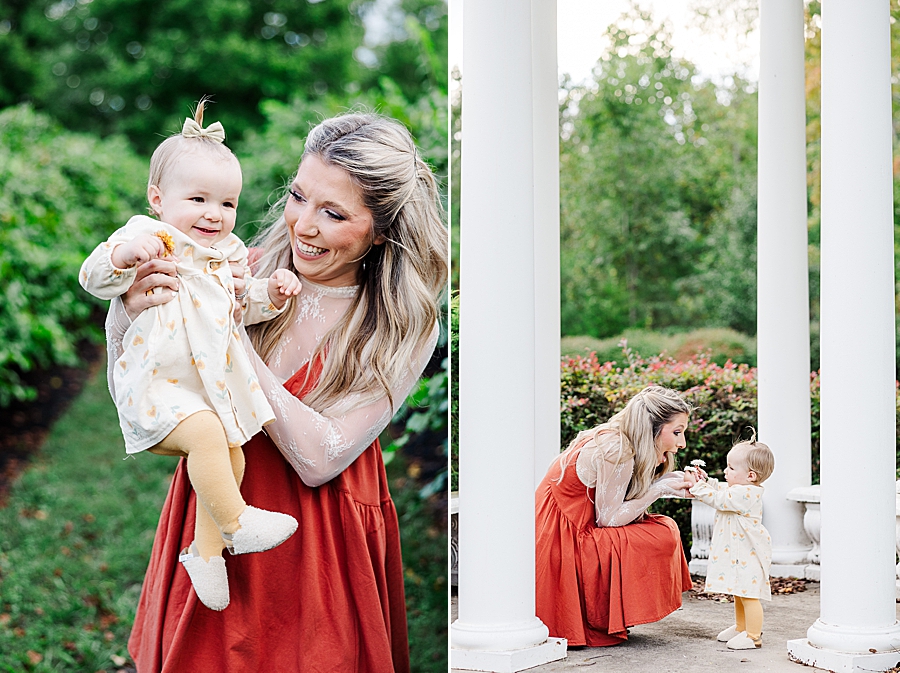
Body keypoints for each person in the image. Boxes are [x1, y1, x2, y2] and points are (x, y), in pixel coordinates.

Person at [113, 112, 446, 671]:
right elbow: (135, 393)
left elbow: (320, 459)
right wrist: (128, 316)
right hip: (219, 502)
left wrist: (224, 334)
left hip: (322, 529)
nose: (303, 225)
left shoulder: (401, 321)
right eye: (298, 196)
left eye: (334, 213)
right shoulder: (239, 266)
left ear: (382, 229)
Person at [80, 100, 302, 611]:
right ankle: (238, 522)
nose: (213, 214)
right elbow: (93, 278)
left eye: (227, 203)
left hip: (199, 392)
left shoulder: (227, 253)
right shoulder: (147, 236)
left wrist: (273, 292)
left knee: (233, 454)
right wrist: (121, 257)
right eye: (198, 198)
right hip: (156, 388)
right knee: (206, 434)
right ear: (158, 198)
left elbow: (237, 310)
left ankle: (206, 553)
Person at [535, 385, 695, 646]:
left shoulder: (616, 438)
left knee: (658, 528)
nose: (681, 443)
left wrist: (670, 482)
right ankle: (610, 615)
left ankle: (617, 614)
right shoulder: (617, 449)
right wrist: (660, 489)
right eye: (677, 432)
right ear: (651, 428)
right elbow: (608, 520)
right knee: (660, 533)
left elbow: (615, 505)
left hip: (565, 528)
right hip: (561, 539)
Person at [685, 431, 774, 650]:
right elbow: (719, 489)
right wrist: (704, 481)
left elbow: (719, 499)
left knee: (749, 595)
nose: (726, 471)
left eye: (731, 468)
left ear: (751, 476)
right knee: (738, 591)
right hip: (738, 554)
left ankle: (753, 636)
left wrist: (697, 487)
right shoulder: (737, 488)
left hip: (748, 553)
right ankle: (740, 627)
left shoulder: (747, 494)